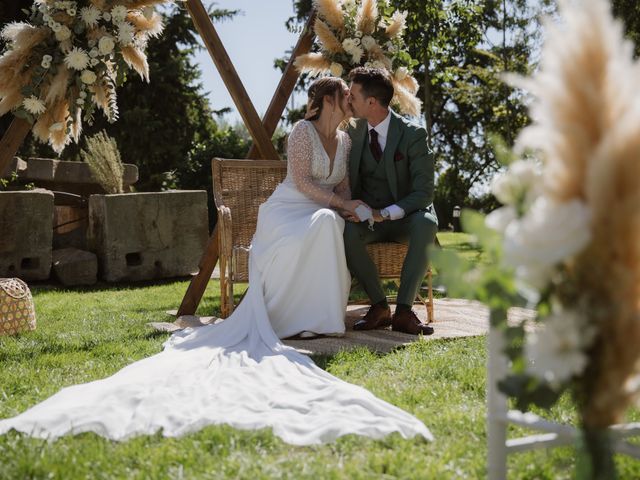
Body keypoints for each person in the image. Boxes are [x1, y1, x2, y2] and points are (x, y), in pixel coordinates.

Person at [0, 77, 433, 446]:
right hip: (287, 211)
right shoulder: (301, 132)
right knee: (325, 220)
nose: (350, 103)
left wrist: (349, 206)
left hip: (320, 212)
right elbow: (300, 181)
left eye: (353, 97)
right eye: (345, 97)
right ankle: (285, 315)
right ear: (328, 102)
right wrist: (341, 206)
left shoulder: (346, 140)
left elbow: (343, 187)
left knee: (330, 223)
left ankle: (321, 318)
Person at [344, 67, 438, 336]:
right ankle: (379, 306)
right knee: (347, 231)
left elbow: (424, 193)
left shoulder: (413, 135)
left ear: (371, 102)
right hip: (368, 218)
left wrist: (382, 213)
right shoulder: (352, 132)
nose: (349, 100)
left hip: (406, 217)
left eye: (353, 96)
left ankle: (405, 311)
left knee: (427, 223)